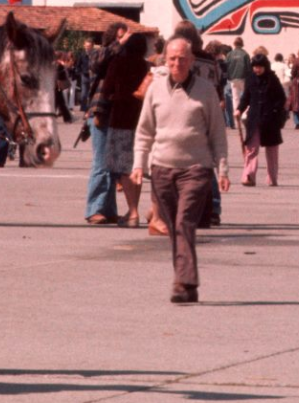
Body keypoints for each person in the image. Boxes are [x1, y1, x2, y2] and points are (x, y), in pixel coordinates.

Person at [131, 37, 230, 304]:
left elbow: (218, 134)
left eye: (183, 59)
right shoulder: (155, 90)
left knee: (184, 222)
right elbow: (144, 131)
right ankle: (186, 282)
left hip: (196, 169)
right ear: (165, 60)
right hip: (162, 168)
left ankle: (183, 281)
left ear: (192, 61)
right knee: (174, 226)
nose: (177, 63)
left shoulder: (206, 91)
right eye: (173, 59)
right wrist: (138, 164)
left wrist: (222, 169)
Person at [100, 33, 151, 225]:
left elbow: (106, 90)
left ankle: (133, 212)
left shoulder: (118, 63)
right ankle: (134, 209)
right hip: (142, 121)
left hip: (120, 118)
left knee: (124, 168)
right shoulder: (146, 66)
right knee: (136, 167)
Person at [83, 23, 129, 225]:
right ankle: (94, 209)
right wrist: (119, 44)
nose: (124, 41)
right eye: (119, 37)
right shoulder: (99, 54)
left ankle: (109, 210)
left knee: (113, 164)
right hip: (100, 112)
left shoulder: (122, 59)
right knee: (101, 162)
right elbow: (97, 63)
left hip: (118, 113)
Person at [237, 53, 286, 187]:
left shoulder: (272, 79)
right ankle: (249, 176)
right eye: (255, 67)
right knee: (251, 149)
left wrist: (275, 111)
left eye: (260, 67)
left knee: (272, 151)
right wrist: (239, 109)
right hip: (254, 119)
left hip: (270, 120)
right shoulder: (250, 79)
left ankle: (272, 178)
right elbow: (246, 97)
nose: (257, 69)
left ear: (265, 67)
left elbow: (281, 98)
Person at [224, 38, 250, 129]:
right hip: (243, 78)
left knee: (235, 98)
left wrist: (228, 77)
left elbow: (226, 66)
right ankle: (245, 114)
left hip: (233, 78)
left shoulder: (229, 54)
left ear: (234, 44)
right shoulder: (245, 54)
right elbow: (248, 68)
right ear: (242, 44)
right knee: (246, 97)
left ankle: (236, 114)